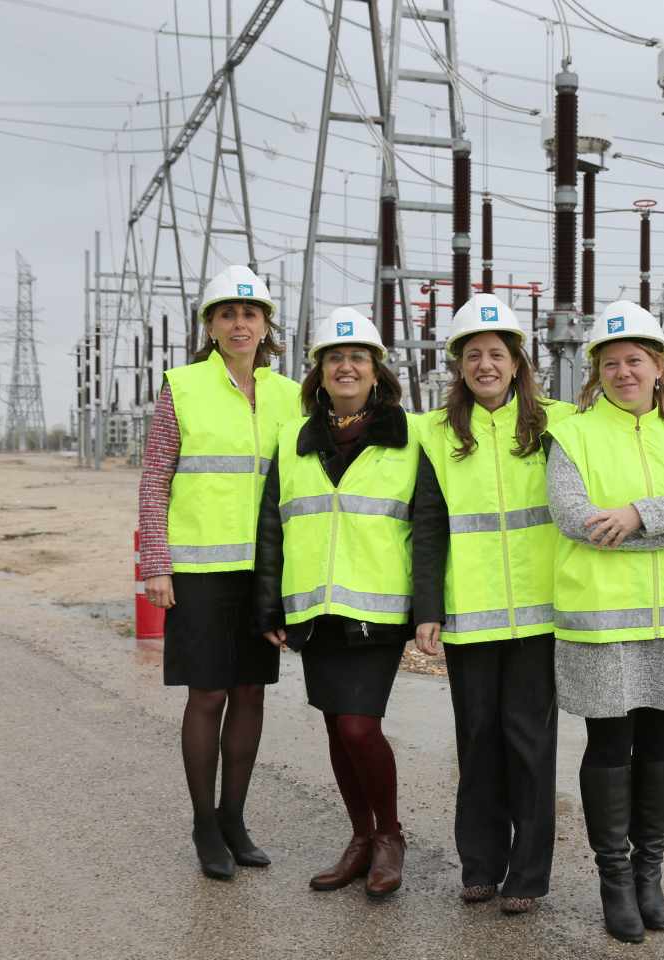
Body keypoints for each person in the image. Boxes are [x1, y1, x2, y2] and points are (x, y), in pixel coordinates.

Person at [544, 300, 664, 943]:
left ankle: (650, 873)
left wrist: (636, 516)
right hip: (603, 620)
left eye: (635, 360)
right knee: (608, 747)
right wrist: (663, 526)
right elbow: (575, 516)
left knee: (659, 746)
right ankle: (615, 879)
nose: (624, 372)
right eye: (611, 363)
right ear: (595, 373)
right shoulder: (572, 434)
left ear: (658, 366)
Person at [137, 265, 301, 881]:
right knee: (206, 695)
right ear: (210, 324)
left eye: (250, 313)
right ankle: (204, 824)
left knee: (251, 693)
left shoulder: (289, 394)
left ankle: (235, 818)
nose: (240, 324)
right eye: (227, 314)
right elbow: (155, 478)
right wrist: (156, 564)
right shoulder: (181, 386)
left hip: (262, 573)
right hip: (198, 571)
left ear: (266, 324)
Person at [412, 293, 571, 915]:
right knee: (477, 741)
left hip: (539, 613)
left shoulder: (556, 425)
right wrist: (428, 608)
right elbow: (427, 526)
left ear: (516, 361)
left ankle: (528, 875)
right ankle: (481, 865)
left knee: (529, 744)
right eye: (473, 354)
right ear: (458, 363)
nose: (485, 364)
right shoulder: (434, 432)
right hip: (470, 616)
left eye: (496, 354)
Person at [253, 308, 417, 899]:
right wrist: (270, 607)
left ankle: (390, 836)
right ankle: (359, 837)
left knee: (357, 725)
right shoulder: (295, 442)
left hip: (376, 610)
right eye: (334, 358)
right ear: (318, 373)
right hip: (313, 610)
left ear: (377, 371)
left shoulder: (409, 436)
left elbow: (426, 526)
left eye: (358, 358)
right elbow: (272, 526)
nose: (346, 367)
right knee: (334, 729)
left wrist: (427, 608)